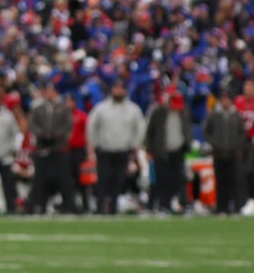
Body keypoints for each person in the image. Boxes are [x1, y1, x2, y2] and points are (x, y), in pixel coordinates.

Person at [86, 81, 145, 216]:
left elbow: (140, 127)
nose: (118, 91)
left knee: (119, 180)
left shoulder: (133, 109)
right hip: (104, 149)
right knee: (103, 179)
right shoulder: (101, 108)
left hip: (123, 149)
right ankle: (100, 207)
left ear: (125, 91)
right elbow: (92, 126)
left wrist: (135, 145)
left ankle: (114, 207)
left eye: (121, 88)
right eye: (116, 88)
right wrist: (93, 144)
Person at [27, 80, 77, 214]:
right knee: (40, 180)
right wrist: (42, 134)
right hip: (42, 148)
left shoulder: (63, 108)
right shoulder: (38, 109)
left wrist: (56, 135)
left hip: (58, 147)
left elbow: (67, 125)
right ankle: (36, 206)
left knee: (64, 179)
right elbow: (32, 125)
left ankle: (69, 206)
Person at [144, 88, 193, 214]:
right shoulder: (158, 113)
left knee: (181, 179)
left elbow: (187, 129)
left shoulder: (184, 112)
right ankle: (164, 205)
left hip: (179, 150)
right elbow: (150, 133)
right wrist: (149, 150)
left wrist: (188, 144)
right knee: (163, 180)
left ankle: (185, 204)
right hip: (161, 151)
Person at [203, 93, 248, 216]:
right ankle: (221, 208)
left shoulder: (236, 116)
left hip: (233, 154)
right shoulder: (214, 115)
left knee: (234, 182)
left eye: (227, 100)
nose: (225, 102)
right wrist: (214, 143)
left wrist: (238, 147)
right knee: (220, 182)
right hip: (218, 153)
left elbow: (242, 133)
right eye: (223, 100)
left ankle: (235, 207)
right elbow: (206, 131)